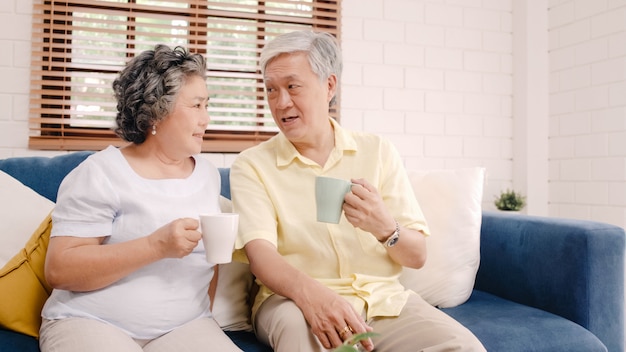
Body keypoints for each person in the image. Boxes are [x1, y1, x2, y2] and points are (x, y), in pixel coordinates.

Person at [230, 30, 486, 352]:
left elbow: (417, 255)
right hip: (292, 302)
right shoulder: (253, 165)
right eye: (271, 90)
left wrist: (384, 227)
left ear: (329, 86)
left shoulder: (377, 151)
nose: (281, 103)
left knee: (463, 348)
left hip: (383, 302)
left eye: (293, 86)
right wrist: (315, 297)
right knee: (302, 338)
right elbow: (260, 256)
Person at [39, 44, 242, 352]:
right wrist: (155, 246)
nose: (206, 119)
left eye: (207, 105)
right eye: (197, 106)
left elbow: (209, 265)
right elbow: (60, 269)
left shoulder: (207, 175)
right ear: (157, 112)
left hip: (186, 326)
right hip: (91, 321)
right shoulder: (101, 173)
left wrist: (197, 318)